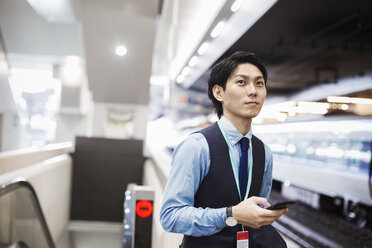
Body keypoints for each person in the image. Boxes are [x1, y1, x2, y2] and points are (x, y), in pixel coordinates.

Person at [160, 51, 288, 248]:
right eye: (241, 82)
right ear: (218, 92)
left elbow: (258, 206)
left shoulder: (264, 153)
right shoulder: (196, 147)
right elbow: (171, 216)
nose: (253, 91)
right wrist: (230, 214)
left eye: (259, 83)